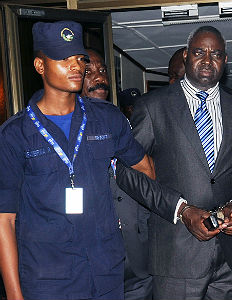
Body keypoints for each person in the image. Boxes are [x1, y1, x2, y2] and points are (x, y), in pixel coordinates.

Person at [116, 25, 232, 300]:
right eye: (199, 52)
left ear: (225, 61)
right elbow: (125, 171)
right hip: (175, 255)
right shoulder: (153, 106)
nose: (207, 60)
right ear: (185, 57)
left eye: (216, 53)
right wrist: (180, 209)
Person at [0, 20, 159, 300]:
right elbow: (5, 221)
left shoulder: (106, 118)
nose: (76, 66)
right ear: (40, 66)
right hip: (48, 280)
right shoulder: (15, 134)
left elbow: (146, 169)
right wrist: (15, 296)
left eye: (79, 58)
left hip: (106, 272)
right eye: (64, 59)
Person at [80, 50, 152, 300]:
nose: (99, 78)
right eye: (89, 72)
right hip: (92, 260)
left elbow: (148, 176)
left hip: (137, 256)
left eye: (102, 71)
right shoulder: (64, 130)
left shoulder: (124, 123)